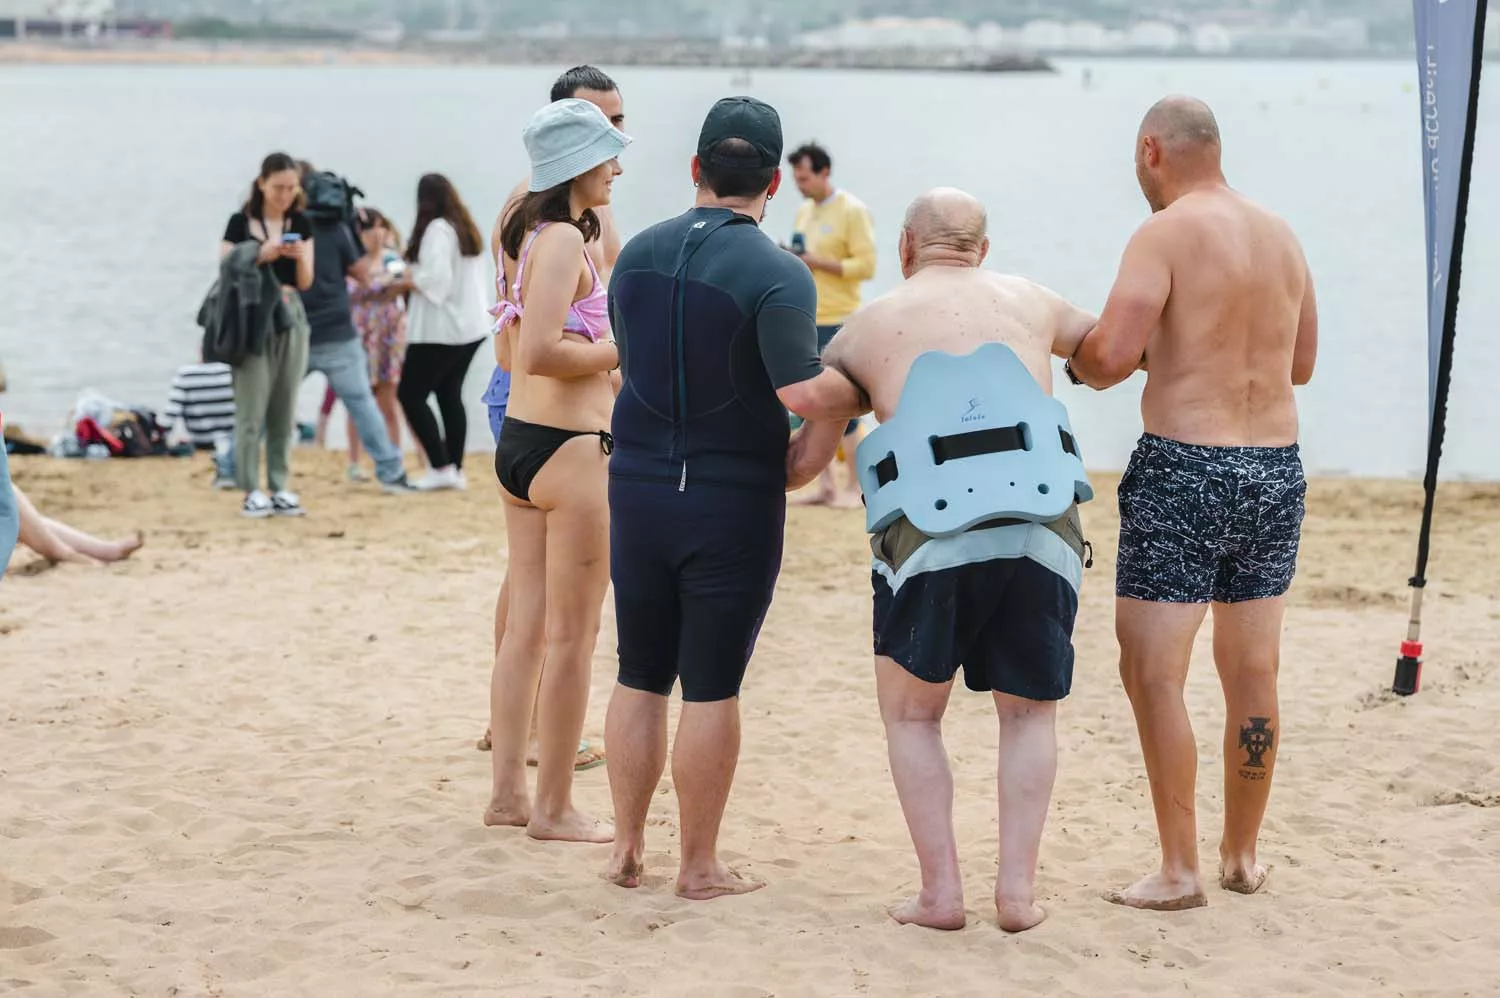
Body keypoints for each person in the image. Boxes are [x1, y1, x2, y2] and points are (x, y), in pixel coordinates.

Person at [602, 97, 865, 899]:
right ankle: (698, 866)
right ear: (776, 183)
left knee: (639, 672)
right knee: (711, 682)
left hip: (638, 487)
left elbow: (626, 367)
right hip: (729, 498)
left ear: (695, 170)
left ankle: (624, 848)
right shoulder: (779, 272)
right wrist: (857, 386)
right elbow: (802, 389)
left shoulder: (635, 253)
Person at [819, 188, 1097, 932]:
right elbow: (1107, 353)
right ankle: (1017, 897)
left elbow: (812, 433)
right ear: (983, 248)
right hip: (1040, 523)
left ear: (906, 249)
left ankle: (941, 896)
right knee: (1030, 712)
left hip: (931, 536)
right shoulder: (1032, 297)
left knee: (912, 717)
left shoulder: (864, 327)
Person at [1066, 96, 1317, 911]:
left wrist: (1069, 359)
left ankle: (1179, 870)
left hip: (1185, 469)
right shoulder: (1282, 234)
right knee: (1252, 671)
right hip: (1276, 469)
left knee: (1153, 673)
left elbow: (1110, 355)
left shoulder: (1163, 233)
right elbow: (1301, 364)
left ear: (1152, 151)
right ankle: (1242, 855)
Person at [484, 98, 630, 843]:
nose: (618, 167)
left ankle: (510, 794)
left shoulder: (527, 231)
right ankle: (553, 808)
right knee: (572, 638)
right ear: (577, 163)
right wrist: (620, 352)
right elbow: (540, 348)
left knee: (528, 634)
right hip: (568, 451)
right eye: (608, 154)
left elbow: (516, 351)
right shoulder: (565, 241)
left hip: (521, 445)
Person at [296, 164, 416, 495]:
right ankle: (391, 472)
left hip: (298, 332)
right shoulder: (337, 231)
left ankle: (232, 463)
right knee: (362, 403)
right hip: (337, 331)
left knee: (269, 403)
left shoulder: (293, 229)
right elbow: (363, 275)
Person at [219, 152, 314, 518]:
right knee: (250, 406)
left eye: (291, 187)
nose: (285, 194)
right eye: (278, 187)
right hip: (252, 319)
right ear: (261, 183)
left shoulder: (301, 221)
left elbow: (306, 281)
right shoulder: (239, 222)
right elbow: (225, 267)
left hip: (291, 316)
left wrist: (298, 255)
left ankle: (279, 485)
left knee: (284, 405)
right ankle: (249, 487)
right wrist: (263, 253)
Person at [786, 141, 877, 509]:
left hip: (841, 317)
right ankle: (825, 486)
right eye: (795, 178)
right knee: (807, 405)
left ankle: (854, 487)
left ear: (824, 172)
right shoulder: (804, 211)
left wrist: (817, 262)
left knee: (845, 407)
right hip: (808, 315)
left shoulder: (852, 211)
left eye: (804, 177)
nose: (800, 185)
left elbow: (865, 267)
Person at [390, 174, 490, 492]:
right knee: (449, 394)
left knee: (410, 394)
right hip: (472, 327)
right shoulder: (464, 228)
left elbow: (437, 280)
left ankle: (440, 464)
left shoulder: (437, 230)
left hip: (442, 330)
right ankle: (454, 468)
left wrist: (407, 276)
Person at [331, 207, 410, 481]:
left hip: (388, 337)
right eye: (368, 228)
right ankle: (355, 462)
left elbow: (402, 282)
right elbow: (350, 289)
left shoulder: (391, 258)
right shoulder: (351, 261)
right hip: (360, 335)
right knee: (358, 399)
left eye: (379, 226)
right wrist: (380, 284)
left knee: (388, 400)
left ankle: (395, 457)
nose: (375, 233)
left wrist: (377, 284)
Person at [163, 358, 236, 489]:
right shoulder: (233, 371)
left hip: (201, 440)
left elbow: (171, 414)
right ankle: (224, 459)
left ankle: (223, 466)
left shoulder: (186, 374)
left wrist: (163, 437)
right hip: (233, 441)